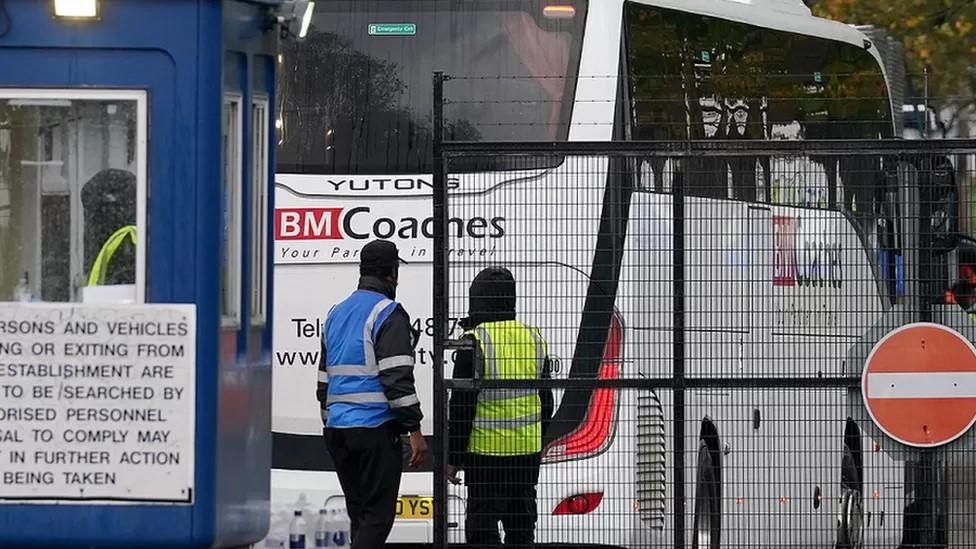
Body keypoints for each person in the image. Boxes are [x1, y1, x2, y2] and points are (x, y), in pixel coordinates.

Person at [317, 239, 427, 549]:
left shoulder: (336, 313)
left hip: (338, 430)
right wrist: (414, 431)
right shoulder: (388, 313)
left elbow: (323, 381)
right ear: (392, 273)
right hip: (374, 430)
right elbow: (397, 379)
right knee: (378, 518)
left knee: (360, 516)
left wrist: (330, 422)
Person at [447, 267, 554, 548]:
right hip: (526, 455)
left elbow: (461, 406)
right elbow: (547, 401)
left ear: (477, 299)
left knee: (483, 532)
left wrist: (454, 457)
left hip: (485, 456)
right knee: (521, 529)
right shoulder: (534, 337)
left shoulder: (474, 341)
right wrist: (539, 441)